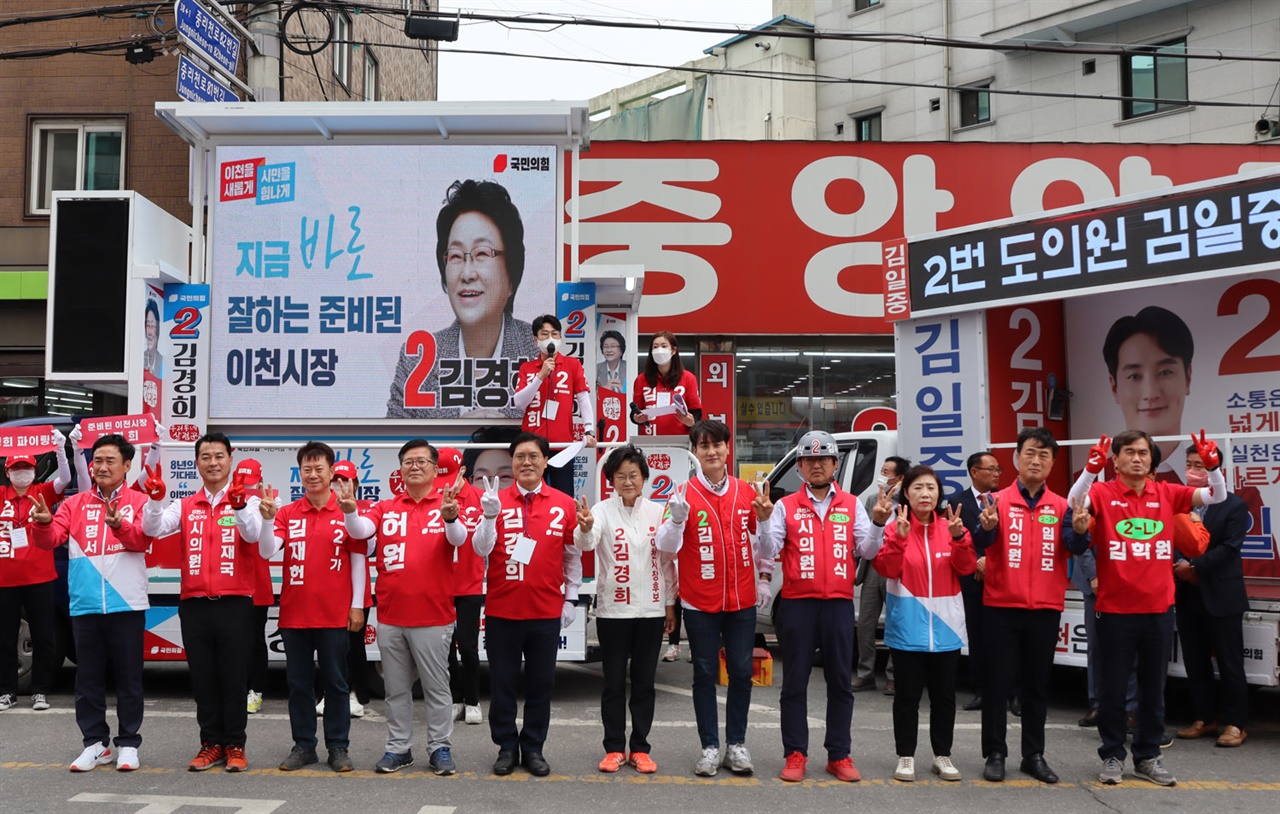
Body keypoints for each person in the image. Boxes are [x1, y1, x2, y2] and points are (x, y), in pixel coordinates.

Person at [1068, 429, 1227, 786]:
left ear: (1151, 460)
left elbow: (1217, 495)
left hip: (1158, 609)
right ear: (1116, 460)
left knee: (1153, 688)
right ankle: (1112, 754)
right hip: (1114, 610)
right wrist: (1090, 471)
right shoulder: (1103, 493)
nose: (1137, 458)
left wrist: (1213, 467)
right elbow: (1073, 503)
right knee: (1112, 689)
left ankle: (1148, 756)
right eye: (1129, 452)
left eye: (1143, 452)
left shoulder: (1167, 493)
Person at [757, 431, 887, 783]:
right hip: (798, 604)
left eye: (824, 459)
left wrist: (877, 523)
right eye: (809, 460)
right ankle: (795, 753)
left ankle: (839, 754)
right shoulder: (784, 506)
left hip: (839, 605)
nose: (817, 465)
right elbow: (768, 550)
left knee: (840, 683)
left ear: (835, 464)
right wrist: (765, 519)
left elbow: (870, 552)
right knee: (795, 682)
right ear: (799, 466)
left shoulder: (851, 504)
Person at [341, 440, 469, 776]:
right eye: (408, 461)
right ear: (400, 469)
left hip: (433, 617)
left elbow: (459, 540)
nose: (414, 466)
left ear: (433, 467)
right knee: (396, 691)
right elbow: (360, 531)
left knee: (437, 689)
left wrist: (451, 518)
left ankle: (440, 748)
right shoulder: (384, 508)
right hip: (391, 618)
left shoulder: (445, 504)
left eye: (421, 461)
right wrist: (350, 510)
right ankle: (398, 749)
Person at [972, 428, 1091, 785]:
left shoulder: (1062, 506)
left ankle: (1033, 754)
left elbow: (1075, 546)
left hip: (1044, 607)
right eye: (1030, 453)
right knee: (997, 683)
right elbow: (980, 542)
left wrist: (1082, 531)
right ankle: (995, 752)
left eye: (1044, 455)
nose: (1036, 460)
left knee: (1037, 685)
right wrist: (987, 528)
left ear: (1053, 463)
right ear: (1016, 458)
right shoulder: (996, 502)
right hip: (1000, 605)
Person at [27, 434, 152, 772]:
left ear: (127, 465)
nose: (101, 467)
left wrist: (121, 526)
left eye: (110, 460)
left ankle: (128, 743)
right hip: (84, 605)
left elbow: (142, 540)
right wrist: (41, 524)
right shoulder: (74, 504)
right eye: (97, 460)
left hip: (126, 603)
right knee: (88, 680)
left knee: (128, 678)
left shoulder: (138, 502)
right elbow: (51, 539)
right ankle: (95, 744)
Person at [140, 432, 263, 773]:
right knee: (204, 678)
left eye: (219, 456)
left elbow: (252, 534)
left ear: (230, 460)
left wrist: (237, 506)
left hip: (235, 603)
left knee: (234, 678)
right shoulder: (184, 505)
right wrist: (153, 501)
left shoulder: (247, 501)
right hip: (194, 604)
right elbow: (154, 529)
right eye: (206, 456)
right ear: (197, 464)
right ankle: (210, 744)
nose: (213, 462)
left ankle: (235, 745)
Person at [656, 419, 769, 778]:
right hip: (699, 602)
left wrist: (765, 523)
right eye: (703, 446)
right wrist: (675, 522)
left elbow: (766, 547)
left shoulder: (747, 493)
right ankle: (709, 747)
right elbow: (665, 548)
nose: (711, 451)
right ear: (695, 452)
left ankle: (736, 744)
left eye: (717, 445)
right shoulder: (681, 493)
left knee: (740, 672)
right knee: (704, 674)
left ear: (727, 449)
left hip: (741, 602)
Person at [471, 432, 583, 777]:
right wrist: (489, 517)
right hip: (503, 611)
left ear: (545, 461)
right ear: (512, 463)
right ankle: (506, 747)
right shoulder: (494, 501)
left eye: (533, 456)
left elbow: (572, 556)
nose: (526, 462)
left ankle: (533, 747)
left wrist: (571, 599)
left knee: (540, 686)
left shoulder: (563, 504)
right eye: (519, 457)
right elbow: (480, 549)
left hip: (546, 614)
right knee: (502, 686)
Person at [251, 441, 367, 773]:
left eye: (319, 468)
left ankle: (338, 747)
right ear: (299, 473)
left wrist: (356, 606)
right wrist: (267, 521)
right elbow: (267, 551)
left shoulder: (346, 510)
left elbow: (358, 559)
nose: (313, 474)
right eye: (306, 469)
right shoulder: (288, 513)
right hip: (295, 614)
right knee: (298, 684)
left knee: (336, 683)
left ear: (332, 472)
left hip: (334, 614)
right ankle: (304, 745)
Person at [387, 179, 537, 418]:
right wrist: (453, 441)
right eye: (456, 256)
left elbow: (559, 435)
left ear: (511, 275)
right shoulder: (418, 358)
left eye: (482, 254)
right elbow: (398, 448)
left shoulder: (538, 352)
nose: (467, 274)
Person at [574, 445, 676, 774]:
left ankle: (641, 748)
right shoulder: (601, 511)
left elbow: (668, 562)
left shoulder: (659, 513)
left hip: (651, 612)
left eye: (634, 475)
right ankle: (614, 747)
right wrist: (586, 526)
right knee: (614, 683)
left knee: (645, 683)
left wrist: (670, 604)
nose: (628, 481)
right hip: (613, 612)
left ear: (645, 478)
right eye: (621, 476)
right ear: (611, 481)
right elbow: (585, 543)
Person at [871, 464, 976, 783]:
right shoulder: (895, 527)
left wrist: (959, 538)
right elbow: (886, 569)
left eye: (931, 487)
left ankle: (942, 755)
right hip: (908, 629)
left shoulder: (953, 527)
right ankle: (906, 756)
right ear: (907, 493)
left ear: (939, 493)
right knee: (907, 697)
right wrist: (899, 540)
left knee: (944, 697)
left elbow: (968, 567)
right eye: (917, 488)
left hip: (946, 628)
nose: (925, 493)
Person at [1174, 445, 1250, 748]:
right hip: (1187, 594)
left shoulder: (1234, 505)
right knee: (1195, 661)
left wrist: (1194, 567)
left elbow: (1230, 548)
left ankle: (1236, 723)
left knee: (1231, 664)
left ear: (1215, 470)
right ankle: (1204, 719)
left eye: (1201, 466)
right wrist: (1178, 567)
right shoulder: (1178, 503)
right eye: (1190, 464)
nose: (1194, 472)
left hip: (1222, 594)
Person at [0, 431, 70, 713]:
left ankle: (40, 691)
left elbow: (64, 479)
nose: (22, 473)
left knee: (44, 636)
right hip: (4, 579)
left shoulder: (42, 492)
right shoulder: (1, 494)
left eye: (27, 468)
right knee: (4, 637)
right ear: (7, 471)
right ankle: (7, 691)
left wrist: (62, 450)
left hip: (40, 577)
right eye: (17, 469)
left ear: (34, 471)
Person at [512, 314, 596, 496]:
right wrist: (540, 376)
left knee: (564, 496)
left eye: (555, 334)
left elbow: (583, 399)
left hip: (563, 445)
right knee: (530, 495)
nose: (550, 338)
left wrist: (589, 429)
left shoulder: (572, 365)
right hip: (532, 446)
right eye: (544, 334)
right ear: (535, 339)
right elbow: (518, 403)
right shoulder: (527, 368)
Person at [317, 460, 371, 720]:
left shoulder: (366, 511)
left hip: (358, 593)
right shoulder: (322, 509)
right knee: (328, 649)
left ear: (356, 484)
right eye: (336, 480)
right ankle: (328, 693)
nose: (341, 485)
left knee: (353, 647)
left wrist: (351, 516)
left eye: (346, 481)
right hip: (327, 592)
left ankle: (354, 695)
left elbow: (369, 547)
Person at [948, 451, 1001, 713]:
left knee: (1004, 640)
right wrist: (978, 560)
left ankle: (1011, 692)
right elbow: (956, 537)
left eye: (997, 470)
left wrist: (991, 560)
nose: (995, 474)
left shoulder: (1004, 501)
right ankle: (980, 691)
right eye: (990, 469)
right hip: (972, 581)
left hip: (1002, 580)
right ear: (974, 471)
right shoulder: (956, 502)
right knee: (978, 638)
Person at [853, 456, 909, 695]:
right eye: (882, 470)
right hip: (873, 566)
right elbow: (862, 536)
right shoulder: (870, 500)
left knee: (896, 623)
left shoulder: (907, 503)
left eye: (887, 472)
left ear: (900, 478)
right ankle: (865, 673)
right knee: (865, 622)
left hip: (897, 569)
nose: (882, 476)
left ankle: (894, 675)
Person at [442, 446, 485, 727]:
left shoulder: (479, 499)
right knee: (444, 649)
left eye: (450, 474)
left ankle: (473, 700)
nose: (446, 481)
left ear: (462, 471)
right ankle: (455, 699)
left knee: (468, 646)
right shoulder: (436, 498)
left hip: (469, 583)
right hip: (440, 585)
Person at [240, 459, 273, 717]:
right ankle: (237, 688)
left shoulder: (273, 501)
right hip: (230, 582)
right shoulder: (230, 496)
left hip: (257, 583)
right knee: (233, 643)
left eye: (251, 482)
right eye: (242, 481)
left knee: (254, 642)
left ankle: (256, 691)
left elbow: (258, 533)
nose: (247, 487)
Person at [631, 331, 701, 437]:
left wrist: (691, 422)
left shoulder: (688, 378)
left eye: (664, 346)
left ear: (673, 350)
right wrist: (636, 418)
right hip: (649, 440)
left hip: (680, 441)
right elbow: (635, 411)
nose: (659, 350)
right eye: (655, 347)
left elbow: (696, 412)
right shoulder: (641, 380)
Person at [143, 298, 164, 378]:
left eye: (153, 326)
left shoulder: (163, 361)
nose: (150, 332)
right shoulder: (139, 359)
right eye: (148, 326)